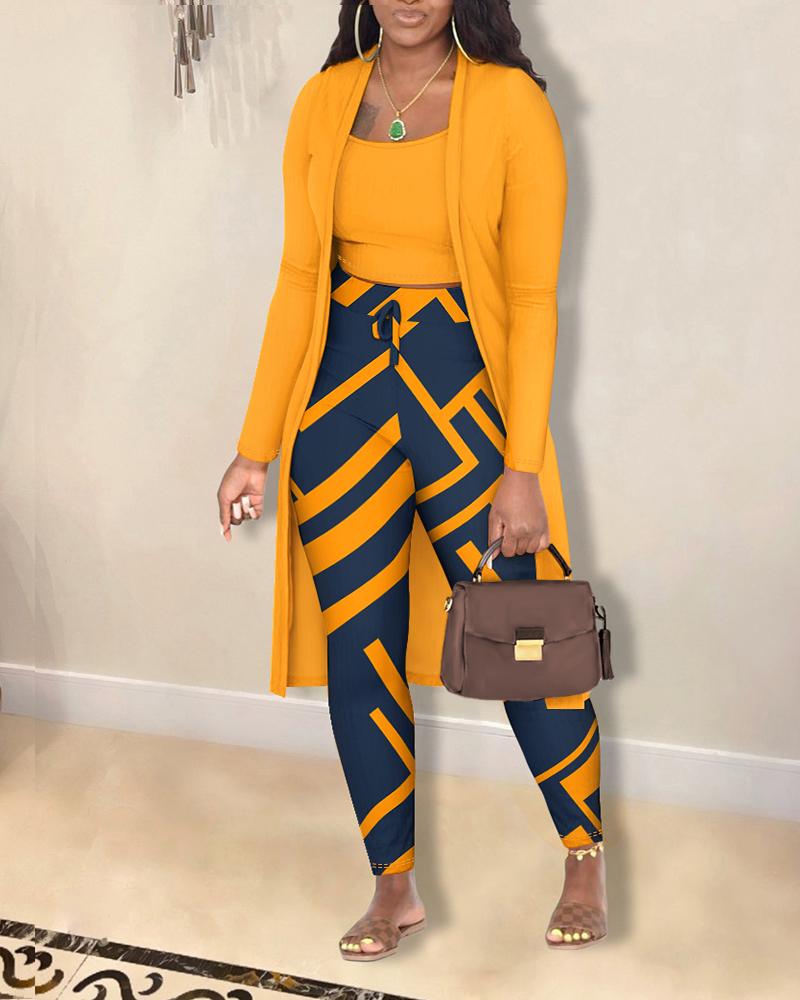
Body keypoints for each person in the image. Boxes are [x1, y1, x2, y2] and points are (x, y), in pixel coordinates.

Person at [217, 0, 607, 960]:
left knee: (522, 636)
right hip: (341, 411)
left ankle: (584, 855)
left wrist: (523, 467)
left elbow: (533, 298)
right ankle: (392, 885)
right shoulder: (324, 101)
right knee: (361, 649)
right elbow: (299, 278)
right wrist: (255, 447)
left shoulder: (511, 105)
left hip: (463, 409)